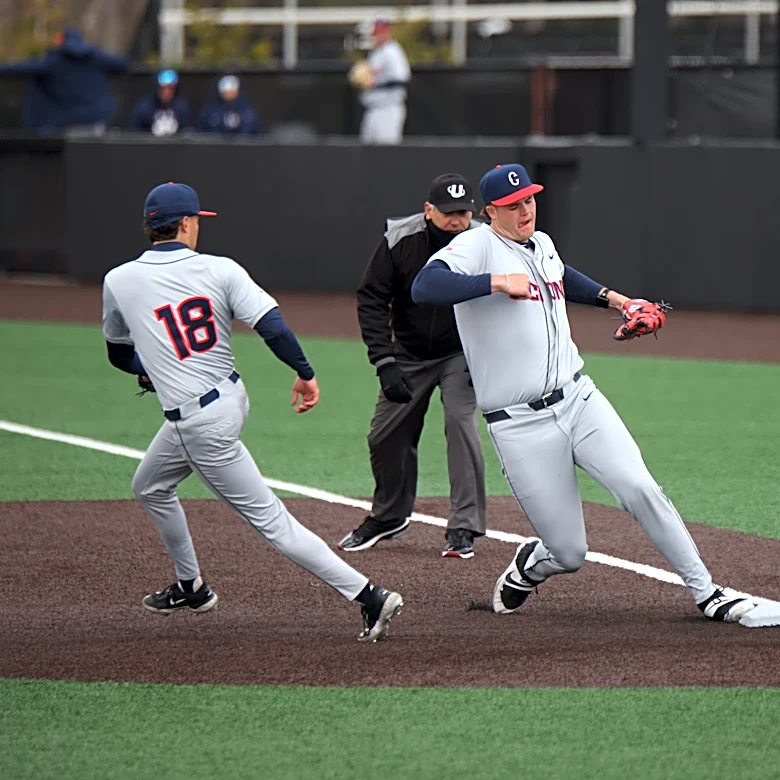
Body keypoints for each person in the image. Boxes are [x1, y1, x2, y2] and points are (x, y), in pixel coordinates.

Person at [411, 162, 757, 624]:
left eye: (530, 199)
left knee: (640, 487)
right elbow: (424, 286)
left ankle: (708, 592)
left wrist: (620, 301)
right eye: (513, 205)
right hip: (521, 424)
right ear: (491, 211)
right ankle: (529, 566)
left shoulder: (541, 242)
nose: (525, 209)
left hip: (579, 398)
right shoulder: (475, 245)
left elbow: (563, 276)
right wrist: (495, 282)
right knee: (570, 553)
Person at [101, 182, 403, 643]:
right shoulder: (221, 269)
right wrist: (304, 372)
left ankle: (369, 596)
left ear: (150, 227)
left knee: (274, 523)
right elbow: (273, 328)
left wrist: (151, 370)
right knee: (150, 485)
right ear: (185, 224)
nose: (198, 226)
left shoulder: (118, 280)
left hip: (197, 424)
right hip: (229, 398)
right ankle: (192, 588)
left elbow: (119, 355)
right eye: (197, 219)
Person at [338, 174, 487, 559]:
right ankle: (390, 515)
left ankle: (463, 526)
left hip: (461, 352)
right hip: (407, 352)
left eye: (464, 212)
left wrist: (487, 351)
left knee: (460, 422)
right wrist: (384, 361)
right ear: (428, 210)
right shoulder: (400, 240)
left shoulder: (484, 240)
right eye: (449, 212)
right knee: (384, 435)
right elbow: (371, 297)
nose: (457, 220)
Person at [0, 26, 128, 134]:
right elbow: (123, 63)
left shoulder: (53, 63)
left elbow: (19, 68)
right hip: (95, 119)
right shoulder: (96, 58)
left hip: (64, 123)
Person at [356, 18, 411, 145]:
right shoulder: (375, 53)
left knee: (386, 152)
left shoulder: (393, 51)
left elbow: (402, 78)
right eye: (376, 33)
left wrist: (376, 85)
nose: (378, 36)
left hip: (388, 109)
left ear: (388, 32)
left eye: (381, 32)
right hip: (373, 108)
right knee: (366, 151)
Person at [127, 69, 192, 137]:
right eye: (163, 88)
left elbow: (187, 133)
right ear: (157, 87)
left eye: (171, 88)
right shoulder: (144, 108)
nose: (167, 92)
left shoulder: (181, 107)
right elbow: (133, 134)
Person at [197, 74, 262, 136]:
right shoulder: (211, 108)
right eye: (226, 91)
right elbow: (200, 130)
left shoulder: (246, 108)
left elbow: (256, 131)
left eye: (232, 91)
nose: (229, 94)